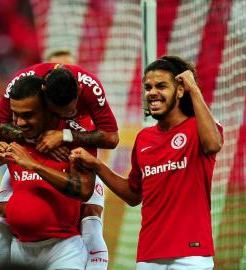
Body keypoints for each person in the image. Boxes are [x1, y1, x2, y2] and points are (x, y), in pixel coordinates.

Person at [70, 55, 223, 270]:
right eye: (148, 87)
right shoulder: (144, 139)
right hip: (149, 255)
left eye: (161, 86)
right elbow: (133, 194)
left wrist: (194, 90)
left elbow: (214, 145)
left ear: (180, 90)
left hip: (192, 254)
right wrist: (97, 165)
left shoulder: (198, 127)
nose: (152, 92)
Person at [0, 53, 113, 269]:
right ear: (43, 93)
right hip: (29, 156)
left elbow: (111, 137)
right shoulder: (22, 87)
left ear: (78, 89)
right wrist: (32, 140)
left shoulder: (88, 88)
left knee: (91, 216)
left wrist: (64, 136)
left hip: (77, 149)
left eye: (72, 108)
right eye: (61, 110)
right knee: (5, 213)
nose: (69, 113)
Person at [0, 76, 97, 270]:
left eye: (28, 115)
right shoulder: (9, 136)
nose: (20, 122)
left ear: (48, 109)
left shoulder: (73, 137)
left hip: (63, 250)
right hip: (19, 250)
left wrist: (35, 166)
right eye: (15, 114)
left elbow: (84, 190)